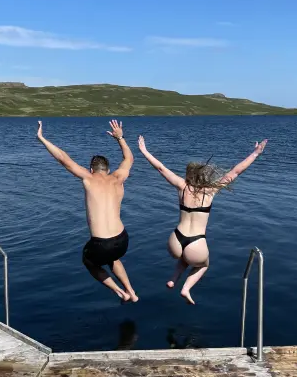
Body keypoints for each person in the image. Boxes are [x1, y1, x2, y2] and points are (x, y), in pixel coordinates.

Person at [138, 135, 268, 304]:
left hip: (176, 240)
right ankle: (186, 288)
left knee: (184, 258)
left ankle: (173, 279)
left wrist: (144, 151)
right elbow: (236, 171)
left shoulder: (182, 186)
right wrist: (256, 153)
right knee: (203, 264)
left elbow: (161, 168)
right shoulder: (210, 191)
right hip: (196, 243)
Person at [37, 119, 138, 302]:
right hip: (122, 239)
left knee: (89, 261)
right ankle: (131, 291)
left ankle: (119, 292)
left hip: (101, 244)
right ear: (107, 169)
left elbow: (63, 159)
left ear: (92, 169)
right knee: (113, 259)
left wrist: (42, 139)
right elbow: (129, 158)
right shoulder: (118, 177)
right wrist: (120, 138)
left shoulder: (88, 178)